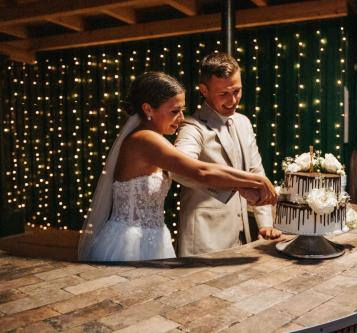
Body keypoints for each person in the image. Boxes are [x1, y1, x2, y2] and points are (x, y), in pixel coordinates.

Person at [78, 72, 277, 262]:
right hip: (129, 243)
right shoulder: (145, 139)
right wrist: (256, 181)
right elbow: (200, 171)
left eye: (182, 110)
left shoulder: (153, 138)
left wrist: (242, 187)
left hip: (153, 239)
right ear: (148, 109)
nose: (181, 118)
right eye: (174, 111)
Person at [174, 52, 281, 257]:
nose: (232, 100)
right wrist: (236, 185)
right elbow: (178, 170)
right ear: (204, 90)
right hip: (205, 241)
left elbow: (256, 171)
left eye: (237, 91)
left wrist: (266, 223)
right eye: (223, 94)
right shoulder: (191, 126)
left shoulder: (244, 122)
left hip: (245, 238)